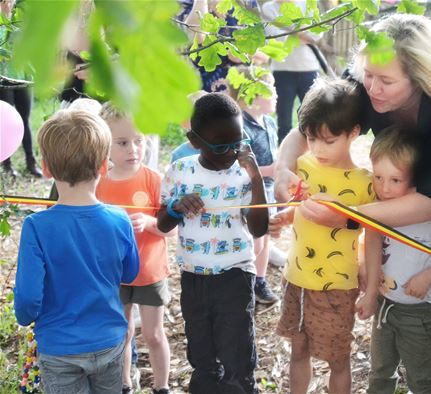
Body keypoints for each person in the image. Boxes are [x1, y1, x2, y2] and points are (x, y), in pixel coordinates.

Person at [274, 14, 431, 388]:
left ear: (420, 78)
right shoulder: (367, 79)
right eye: (367, 75)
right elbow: (311, 127)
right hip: (406, 185)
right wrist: (285, 167)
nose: (371, 88)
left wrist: (346, 216)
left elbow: (429, 203)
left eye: (385, 81)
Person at [13, 109, 140, 393]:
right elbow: (130, 273)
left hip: (60, 348)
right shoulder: (120, 219)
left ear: (46, 168)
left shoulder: (37, 226)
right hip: (110, 341)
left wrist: (23, 316)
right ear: (104, 167)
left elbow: (28, 299)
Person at [269, 78, 376, 394]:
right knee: (298, 350)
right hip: (297, 279)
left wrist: (370, 288)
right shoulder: (301, 167)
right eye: (312, 139)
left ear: (353, 133)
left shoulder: (364, 183)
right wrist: (284, 218)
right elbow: (301, 210)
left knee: (338, 359)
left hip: (338, 286)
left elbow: (372, 237)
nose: (317, 148)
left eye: (328, 141)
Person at [157, 93, 268, 394]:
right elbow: (162, 223)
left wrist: (256, 180)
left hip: (235, 274)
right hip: (194, 277)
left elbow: (259, 228)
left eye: (238, 142)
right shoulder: (179, 172)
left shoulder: (243, 175)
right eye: (222, 146)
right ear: (194, 140)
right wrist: (175, 207)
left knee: (237, 354)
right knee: (202, 354)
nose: (233, 152)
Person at [358, 127, 431, 393]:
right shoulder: (379, 207)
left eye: (395, 180)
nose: (384, 188)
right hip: (386, 305)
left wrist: (428, 276)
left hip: (420, 313)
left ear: (416, 177)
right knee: (380, 371)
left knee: (422, 378)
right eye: (378, 177)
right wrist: (372, 292)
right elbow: (372, 240)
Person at [96, 104, 174, 394]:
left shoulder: (154, 180)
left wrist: (151, 222)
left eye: (139, 141)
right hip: (116, 273)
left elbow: (173, 227)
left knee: (154, 335)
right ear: (105, 144)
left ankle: (162, 387)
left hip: (150, 271)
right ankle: (125, 384)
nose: (133, 149)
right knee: (122, 332)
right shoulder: (99, 183)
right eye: (123, 142)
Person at [228, 65, 279, 305]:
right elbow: (238, 167)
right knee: (255, 240)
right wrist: (270, 170)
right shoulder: (242, 128)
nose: (276, 94)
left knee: (266, 238)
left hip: (268, 189)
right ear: (251, 96)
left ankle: (259, 280)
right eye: (270, 89)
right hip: (250, 193)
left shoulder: (269, 122)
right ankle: (244, 282)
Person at [261, 0, 321, 143]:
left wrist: (289, 34)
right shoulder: (268, 8)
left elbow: (317, 33)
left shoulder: (308, 3)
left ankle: (312, 156)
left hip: (309, 69)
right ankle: (283, 158)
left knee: (313, 118)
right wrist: (300, 34)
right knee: (284, 122)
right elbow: (273, 37)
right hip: (282, 72)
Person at [0, 0, 41, 178]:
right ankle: (7, 164)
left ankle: (31, 161)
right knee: (5, 121)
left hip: (24, 75)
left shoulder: (25, 10)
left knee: (25, 118)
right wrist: (5, 16)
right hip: (3, 76)